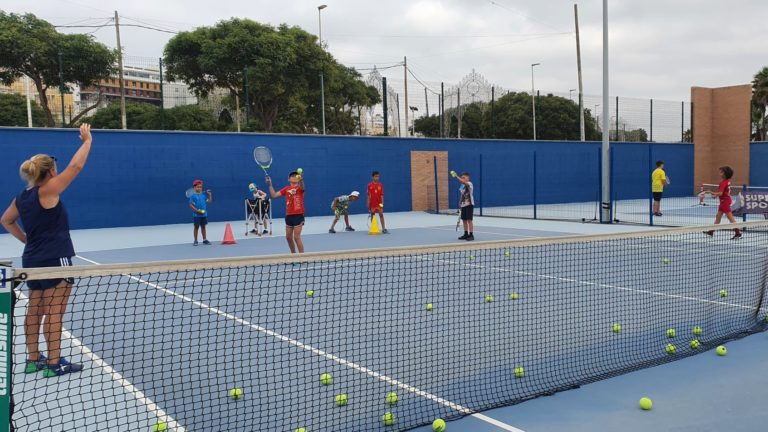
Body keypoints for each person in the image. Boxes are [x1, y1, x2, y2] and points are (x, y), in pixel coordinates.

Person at [0, 124, 93, 377]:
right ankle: (54, 364)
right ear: (50, 170)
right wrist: (87, 141)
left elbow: (6, 220)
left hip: (32, 259)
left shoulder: (23, 196)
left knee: (35, 308)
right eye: (55, 167)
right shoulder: (49, 189)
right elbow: (76, 167)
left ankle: (33, 360)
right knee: (55, 311)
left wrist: (27, 240)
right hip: (55, 259)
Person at [267, 171, 305, 253]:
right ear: (289, 179)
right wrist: (270, 185)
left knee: (296, 237)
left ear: (298, 178)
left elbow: (303, 187)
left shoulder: (299, 188)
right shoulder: (286, 189)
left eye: (296, 175)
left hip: (298, 216)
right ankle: (293, 255)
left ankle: (302, 257)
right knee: (288, 237)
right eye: (292, 176)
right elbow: (274, 195)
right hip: (289, 216)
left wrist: (301, 180)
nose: (294, 176)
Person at [705, 166, 741, 240]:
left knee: (730, 218)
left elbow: (721, 193)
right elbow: (723, 193)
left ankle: (738, 233)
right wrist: (715, 195)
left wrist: (711, 192)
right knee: (718, 217)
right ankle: (711, 231)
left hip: (725, 201)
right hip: (724, 201)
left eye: (721, 172)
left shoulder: (723, 183)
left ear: (725, 174)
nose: (719, 173)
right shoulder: (727, 181)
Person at [451, 170, 475, 241]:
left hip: (469, 204)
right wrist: (460, 202)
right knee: (464, 220)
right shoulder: (462, 186)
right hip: (463, 205)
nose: (462, 178)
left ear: (468, 178)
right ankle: (466, 234)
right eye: (462, 177)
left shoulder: (469, 183)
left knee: (469, 220)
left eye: (464, 177)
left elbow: (463, 182)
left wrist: (456, 176)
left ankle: (471, 235)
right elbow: (462, 194)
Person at [188, 179, 212, 246]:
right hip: (196, 215)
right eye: (198, 187)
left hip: (204, 215)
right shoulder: (192, 196)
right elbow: (190, 205)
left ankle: (204, 240)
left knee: (203, 227)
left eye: (200, 187)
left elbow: (209, 202)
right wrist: (197, 210)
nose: (199, 188)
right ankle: (195, 240)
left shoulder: (203, 196)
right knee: (196, 227)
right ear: (194, 188)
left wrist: (210, 195)